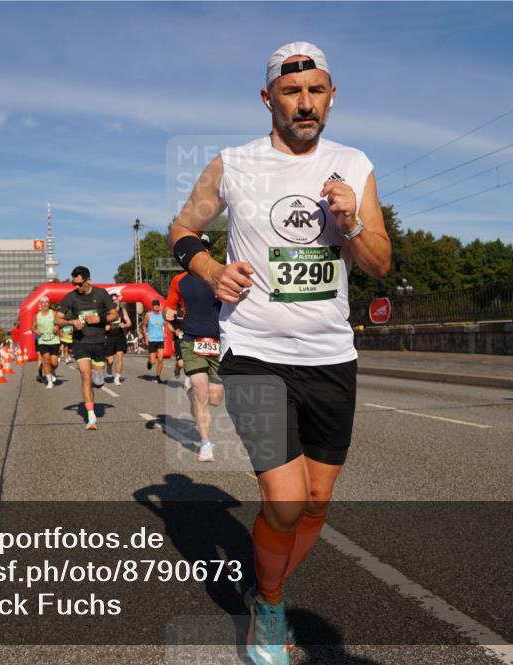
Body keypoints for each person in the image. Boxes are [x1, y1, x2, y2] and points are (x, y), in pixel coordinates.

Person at [168, 42, 391, 664]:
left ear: (331, 96)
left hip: (330, 355)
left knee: (317, 500)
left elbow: (378, 262)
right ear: (268, 98)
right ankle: (268, 606)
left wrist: (350, 222)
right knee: (286, 499)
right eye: (292, 93)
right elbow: (182, 227)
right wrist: (210, 268)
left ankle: (271, 587)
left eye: (316, 91)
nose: (305, 103)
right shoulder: (233, 164)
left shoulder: (355, 164)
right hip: (256, 351)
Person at [164, 234, 225, 462]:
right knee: (201, 390)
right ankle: (206, 443)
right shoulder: (179, 280)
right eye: (197, 250)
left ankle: (191, 392)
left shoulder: (221, 274)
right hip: (192, 340)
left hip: (219, 343)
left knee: (215, 398)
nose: (202, 253)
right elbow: (169, 308)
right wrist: (167, 314)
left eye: (205, 248)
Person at [55, 266, 117, 429]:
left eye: (79, 284)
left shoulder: (101, 294)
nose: (77, 287)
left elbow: (114, 314)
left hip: (98, 341)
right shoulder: (70, 297)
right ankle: (91, 417)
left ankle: (100, 378)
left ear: (88, 280)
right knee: (85, 375)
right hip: (80, 342)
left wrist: (100, 319)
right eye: (74, 284)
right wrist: (70, 322)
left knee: (97, 379)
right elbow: (58, 319)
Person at [32, 296, 61, 389]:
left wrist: (57, 327)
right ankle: (49, 382)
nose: (45, 304)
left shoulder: (54, 313)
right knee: (46, 359)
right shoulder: (37, 315)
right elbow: (32, 327)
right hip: (43, 341)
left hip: (54, 340)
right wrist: (35, 330)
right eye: (43, 302)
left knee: (54, 363)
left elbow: (59, 323)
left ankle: (52, 371)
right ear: (40, 304)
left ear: (49, 304)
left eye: (46, 302)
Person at [105, 292, 132, 385]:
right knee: (110, 360)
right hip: (109, 336)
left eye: (115, 299)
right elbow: (100, 322)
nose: (114, 301)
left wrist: (124, 325)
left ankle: (117, 377)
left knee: (119, 357)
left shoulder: (122, 310)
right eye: (112, 300)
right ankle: (109, 367)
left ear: (118, 300)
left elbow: (129, 323)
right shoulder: (106, 310)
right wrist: (105, 327)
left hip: (120, 336)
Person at [142, 299, 167, 384]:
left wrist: (165, 332)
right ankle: (149, 362)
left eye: (157, 305)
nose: (156, 307)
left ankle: (158, 376)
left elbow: (166, 325)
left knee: (160, 359)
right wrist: (146, 336)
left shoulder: (162, 315)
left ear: (159, 306)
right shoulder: (148, 315)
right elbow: (144, 326)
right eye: (155, 305)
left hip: (160, 339)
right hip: (152, 340)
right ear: (152, 307)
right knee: (153, 361)